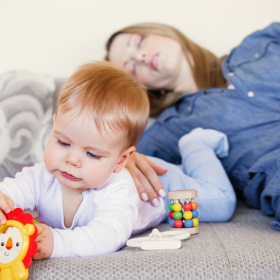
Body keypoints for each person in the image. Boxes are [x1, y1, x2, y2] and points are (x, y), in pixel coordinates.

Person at [0, 61, 235, 260]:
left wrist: (57, 244)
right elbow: (12, 191)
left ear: (122, 160)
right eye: (63, 142)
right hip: (136, 167)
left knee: (222, 203)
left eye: (92, 154)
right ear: (53, 127)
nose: (71, 159)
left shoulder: (117, 186)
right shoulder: (41, 176)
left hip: (162, 185)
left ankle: (195, 144)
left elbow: (108, 235)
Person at [106, 22, 280, 231]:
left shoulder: (259, 44)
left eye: (139, 42)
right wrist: (123, 160)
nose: (141, 57)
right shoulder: (167, 131)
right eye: (132, 68)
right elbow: (107, 160)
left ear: (163, 31)